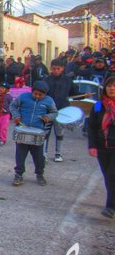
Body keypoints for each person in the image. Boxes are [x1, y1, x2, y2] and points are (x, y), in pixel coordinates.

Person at [9, 80, 58, 187]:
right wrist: (16, 116)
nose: (37, 96)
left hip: (38, 133)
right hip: (23, 130)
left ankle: (40, 174)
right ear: (32, 91)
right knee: (20, 155)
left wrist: (48, 117)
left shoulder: (49, 101)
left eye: (40, 95)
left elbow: (54, 113)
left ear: (45, 94)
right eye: (35, 93)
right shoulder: (23, 97)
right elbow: (12, 106)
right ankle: (19, 174)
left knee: (39, 156)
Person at [43, 59, 83, 162]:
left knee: (59, 133)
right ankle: (44, 154)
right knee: (45, 133)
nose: (55, 71)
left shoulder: (68, 80)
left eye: (58, 69)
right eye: (53, 69)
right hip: (48, 111)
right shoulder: (46, 80)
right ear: (50, 68)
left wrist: (83, 96)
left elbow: (75, 94)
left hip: (62, 111)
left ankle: (58, 153)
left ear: (62, 69)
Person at [87, 75, 115, 218]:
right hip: (103, 146)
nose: (112, 88)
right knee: (107, 176)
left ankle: (110, 207)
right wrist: (92, 145)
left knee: (112, 176)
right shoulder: (98, 105)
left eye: (114, 86)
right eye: (109, 85)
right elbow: (91, 126)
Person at [0, 82, 13, 146]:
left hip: (6, 114)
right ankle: (0, 137)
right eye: (0, 88)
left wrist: (11, 112)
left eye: (3, 88)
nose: (1, 89)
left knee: (3, 127)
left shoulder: (8, 97)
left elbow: (12, 105)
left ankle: (3, 139)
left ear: (7, 90)